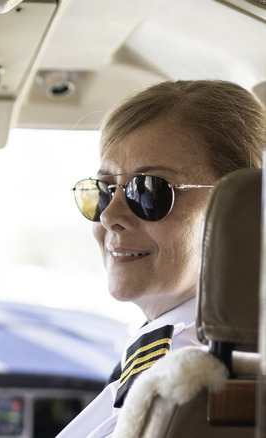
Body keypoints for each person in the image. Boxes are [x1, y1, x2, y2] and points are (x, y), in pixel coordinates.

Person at [61, 79, 266, 437]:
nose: (110, 215)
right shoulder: (168, 366)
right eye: (106, 190)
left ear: (238, 214)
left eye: (150, 189)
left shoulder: (183, 377)